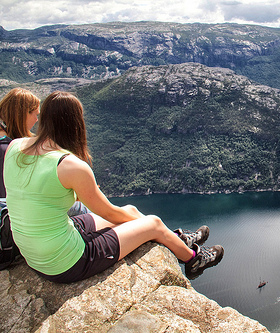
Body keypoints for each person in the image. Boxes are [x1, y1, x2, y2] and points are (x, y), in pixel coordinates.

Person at [4, 91, 223, 282]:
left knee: (130, 210)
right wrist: (149, 229)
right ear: (75, 124)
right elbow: (108, 212)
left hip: (34, 252)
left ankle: (175, 239)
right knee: (153, 223)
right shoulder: (71, 166)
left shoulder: (15, 146)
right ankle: (194, 259)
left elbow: (39, 194)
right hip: (65, 262)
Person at [0, 87, 89, 215]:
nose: (36, 120)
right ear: (22, 115)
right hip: (17, 213)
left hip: (16, 211)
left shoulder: (9, 143)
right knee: (82, 209)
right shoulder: (8, 148)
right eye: (35, 114)